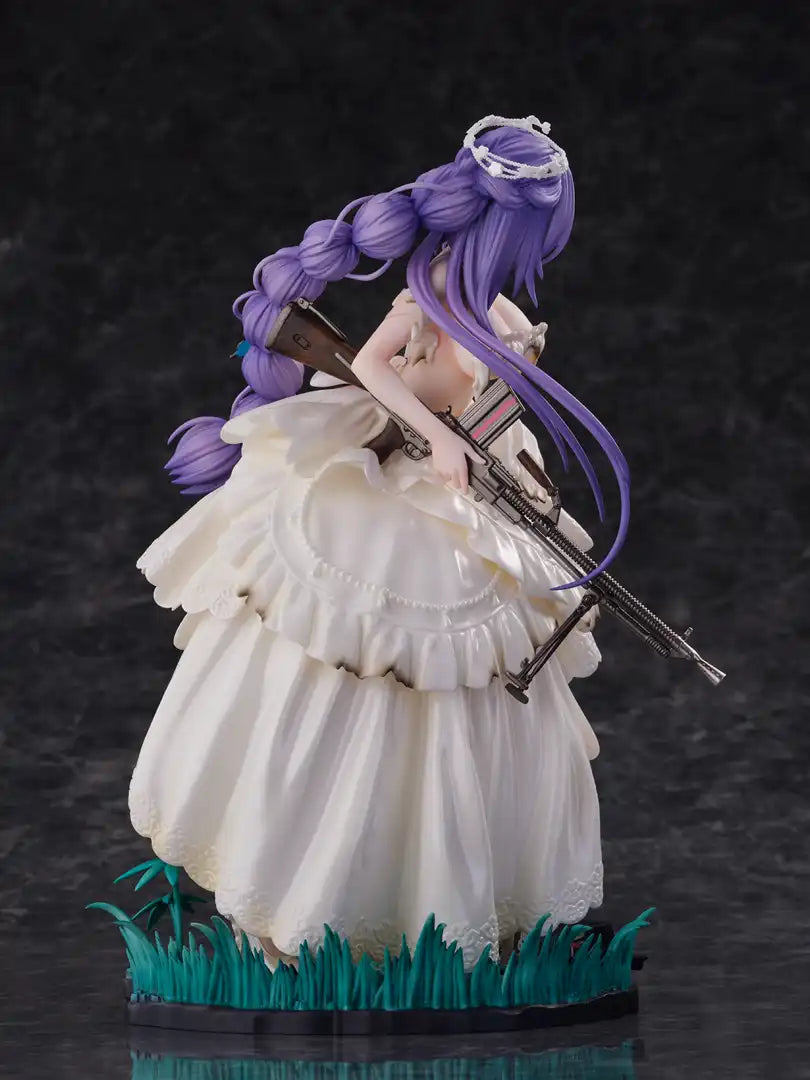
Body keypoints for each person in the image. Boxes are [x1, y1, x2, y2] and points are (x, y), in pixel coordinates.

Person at [128, 115, 630, 971]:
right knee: (357, 633)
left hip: (471, 482)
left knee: (489, 655)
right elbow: (371, 368)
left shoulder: (501, 315)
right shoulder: (427, 292)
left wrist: (499, 454)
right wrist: (434, 439)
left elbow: (498, 408)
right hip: (398, 475)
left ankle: (464, 901)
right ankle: (301, 901)